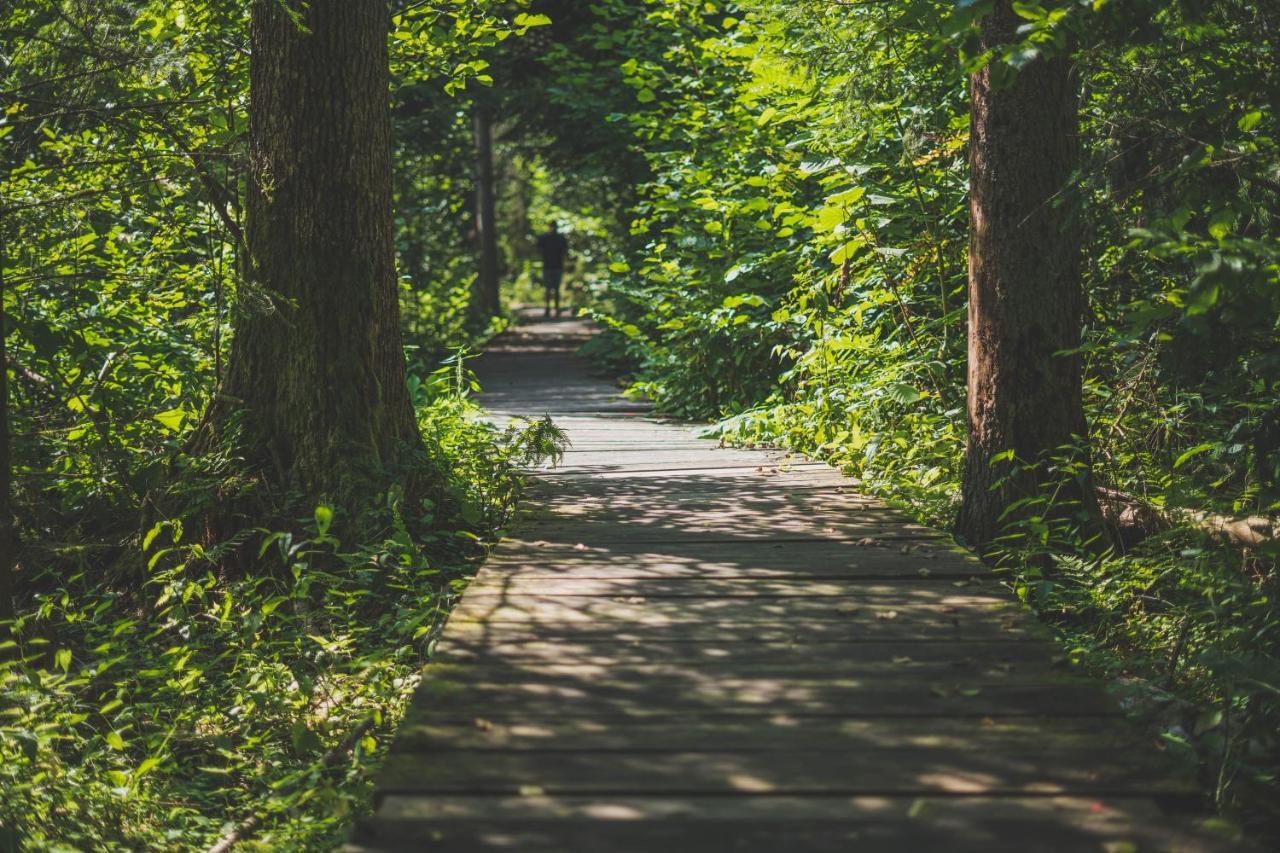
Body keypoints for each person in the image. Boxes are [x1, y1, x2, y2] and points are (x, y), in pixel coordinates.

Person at [536, 222, 569, 318]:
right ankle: (553, 309)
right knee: (553, 289)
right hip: (554, 267)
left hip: (550, 267)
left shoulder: (545, 238)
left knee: (550, 289)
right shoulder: (559, 238)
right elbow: (565, 252)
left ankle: (551, 309)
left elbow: (538, 249)